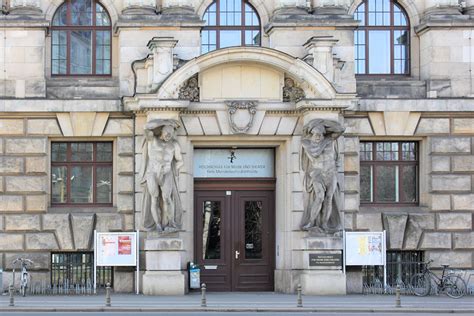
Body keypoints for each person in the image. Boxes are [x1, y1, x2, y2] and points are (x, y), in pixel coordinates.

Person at [300, 119, 345, 234]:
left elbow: (340, 129)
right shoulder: (307, 143)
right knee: (320, 197)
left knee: (329, 198)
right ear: (312, 134)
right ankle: (312, 222)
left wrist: (322, 123)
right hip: (318, 173)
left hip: (331, 173)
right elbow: (315, 153)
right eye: (316, 134)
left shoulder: (330, 141)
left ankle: (324, 223)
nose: (318, 137)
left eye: (320, 134)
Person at [139, 119, 183, 232]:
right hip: (152, 173)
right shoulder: (152, 140)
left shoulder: (174, 145)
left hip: (166, 173)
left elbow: (180, 161)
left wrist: (174, 168)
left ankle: (171, 223)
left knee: (167, 199)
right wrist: (165, 122)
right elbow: (146, 127)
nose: (169, 135)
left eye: (171, 133)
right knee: (154, 198)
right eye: (167, 132)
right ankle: (157, 224)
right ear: (162, 131)